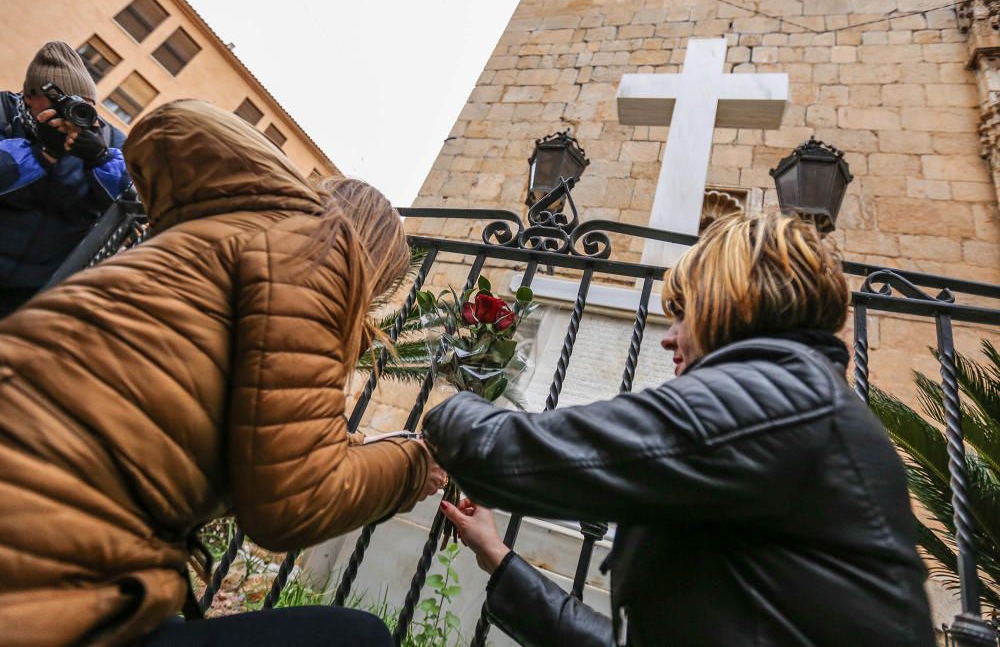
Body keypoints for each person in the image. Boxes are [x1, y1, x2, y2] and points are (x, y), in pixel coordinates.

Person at [0, 99, 446, 646]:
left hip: (41, 531)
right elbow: (293, 503)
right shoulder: (318, 256)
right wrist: (412, 466)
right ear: (374, 266)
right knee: (356, 638)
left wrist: (360, 446)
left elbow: (247, 428)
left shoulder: (222, 243)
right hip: (38, 570)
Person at [425, 212, 936, 647]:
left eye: (683, 313)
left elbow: (507, 453)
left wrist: (450, 411)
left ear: (733, 302)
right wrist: (500, 559)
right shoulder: (804, 406)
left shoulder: (769, 400)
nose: (669, 339)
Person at [0, 41, 132, 317]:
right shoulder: (5, 114)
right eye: (62, 101)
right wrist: (42, 153)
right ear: (28, 96)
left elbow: (137, 202)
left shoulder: (110, 142)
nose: (71, 112)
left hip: (41, 297)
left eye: (84, 104)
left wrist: (100, 158)